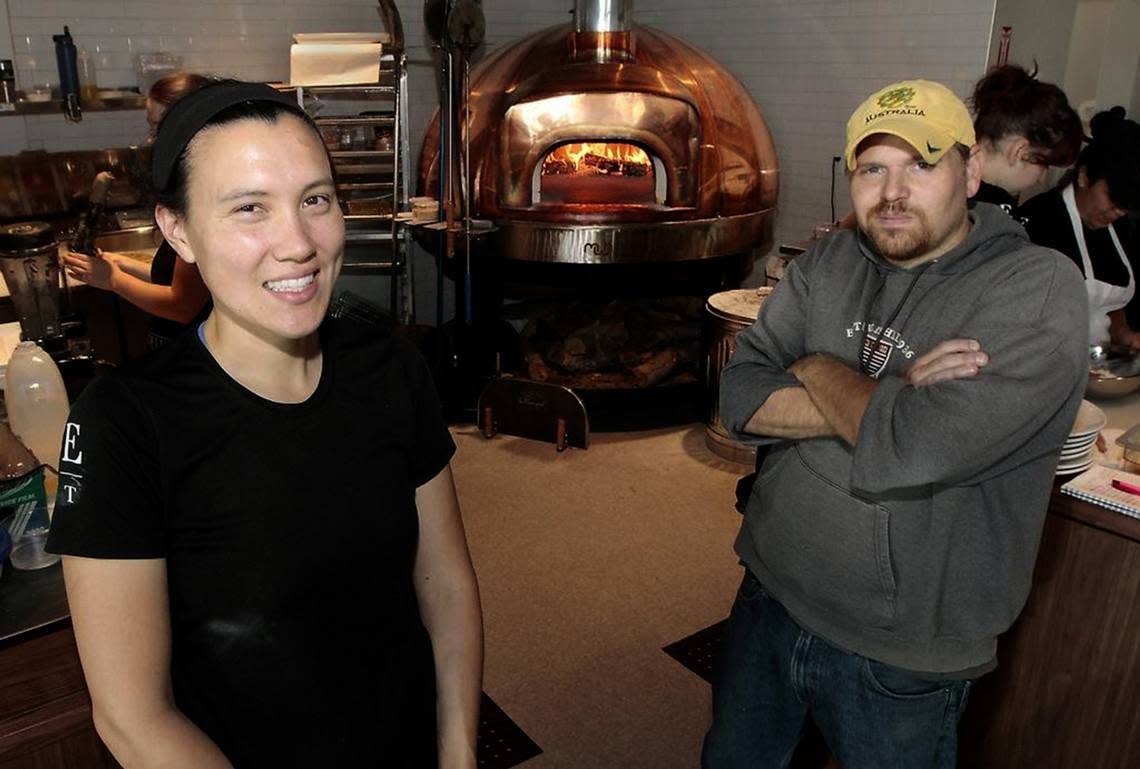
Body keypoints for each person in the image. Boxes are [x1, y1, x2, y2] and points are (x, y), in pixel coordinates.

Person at [46, 81, 483, 769]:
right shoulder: (123, 425)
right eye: (251, 208)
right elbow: (133, 716)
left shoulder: (392, 367)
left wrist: (458, 753)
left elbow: (445, 583)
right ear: (177, 230)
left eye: (316, 200)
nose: (299, 243)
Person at [703, 80, 1087, 769]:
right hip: (770, 590)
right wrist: (881, 392)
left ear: (970, 173)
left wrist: (815, 368)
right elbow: (738, 395)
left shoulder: (1035, 288)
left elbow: (915, 444)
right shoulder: (829, 260)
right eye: (873, 167)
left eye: (922, 163)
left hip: (901, 650)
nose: (892, 191)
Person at [62, 72, 212, 351]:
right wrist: (121, 265)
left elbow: (182, 306)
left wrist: (113, 280)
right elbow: (177, 280)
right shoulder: (186, 183)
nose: (152, 138)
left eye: (158, 127)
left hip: (191, 353)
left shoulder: (200, 196)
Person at [1020, 107, 1140, 347]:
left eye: (1125, 206)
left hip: (1097, 362)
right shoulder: (1040, 218)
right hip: (1043, 360)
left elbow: (1111, 308)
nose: (1117, 212)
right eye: (1113, 199)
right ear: (1084, 176)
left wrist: (1124, 334)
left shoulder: (1122, 229)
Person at [969, 64, 1083, 217]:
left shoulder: (942, 175)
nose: (1041, 179)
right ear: (1019, 151)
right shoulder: (995, 211)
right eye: (1044, 164)